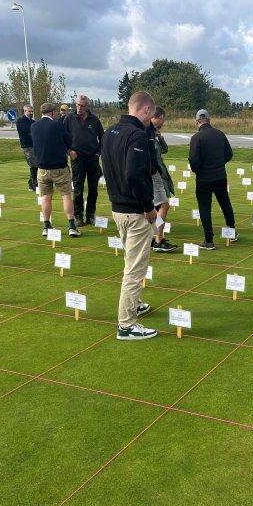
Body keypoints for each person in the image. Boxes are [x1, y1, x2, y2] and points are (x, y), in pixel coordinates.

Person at [102, 91, 158, 340]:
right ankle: (126, 325)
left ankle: (134, 304)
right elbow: (134, 175)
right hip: (135, 211)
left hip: (118, 208)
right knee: (135, 269)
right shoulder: (136, 134)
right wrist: (149, 207)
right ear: (145, 110)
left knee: (130, 262)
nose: (152, 120)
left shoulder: (109, 132)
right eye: (152, 115)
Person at [188, 109, 237, 250]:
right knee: (225, 202)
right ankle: (232, 231)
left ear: (197, 122)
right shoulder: (220, 134)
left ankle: (209, 240)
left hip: (203, 178)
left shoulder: (196, 138)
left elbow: (193, 160)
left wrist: (198, 170)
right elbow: (229, 154)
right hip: (220, 176)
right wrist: (220, 163)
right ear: (209, 120)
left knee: (205, 208)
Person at [31, 103, 80, 238]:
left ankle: (46, 226)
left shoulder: (34, 126)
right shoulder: (58, 125)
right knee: (66, 195)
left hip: (42, 169)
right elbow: (68, 142)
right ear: (53, 113)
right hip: (59, 167)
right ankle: (72, 226)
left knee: (46, 197)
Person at [64, 95, 104, 227]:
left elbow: (103, 139)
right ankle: (78, 215)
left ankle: (91, 215)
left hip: (92, 157)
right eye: (77, 104)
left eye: (82, 105)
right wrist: (69, 151)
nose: (79, 107)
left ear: (87, 106)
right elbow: (62, 138)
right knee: (78, 188)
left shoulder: (94, 119)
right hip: (77, 158)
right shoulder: (69, 118)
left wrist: (98, 153)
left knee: (93, 188)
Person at [148, 107, 177, 252]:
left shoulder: (153, 132)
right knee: (163, 205)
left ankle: (155, 238)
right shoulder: (147, 132)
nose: (163, 122)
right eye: (163, 119)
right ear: (159, 117)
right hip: (154, 175)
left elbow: (164, 150)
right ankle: (158, 239)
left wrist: (160, 137)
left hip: (159, 175)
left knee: (159, 207)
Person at [15, 104, 37, 191]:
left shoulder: (33, 122)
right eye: (29, 111)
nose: (31, 113)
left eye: (32, 111)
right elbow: (27, 130)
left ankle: (31, 184)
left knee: (36, 164)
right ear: (25, 111)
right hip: (27, 146)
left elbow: (35, 131)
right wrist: (32, 131)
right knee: (33, 164)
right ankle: (35, 185)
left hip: (34, 145)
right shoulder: (20, 121)